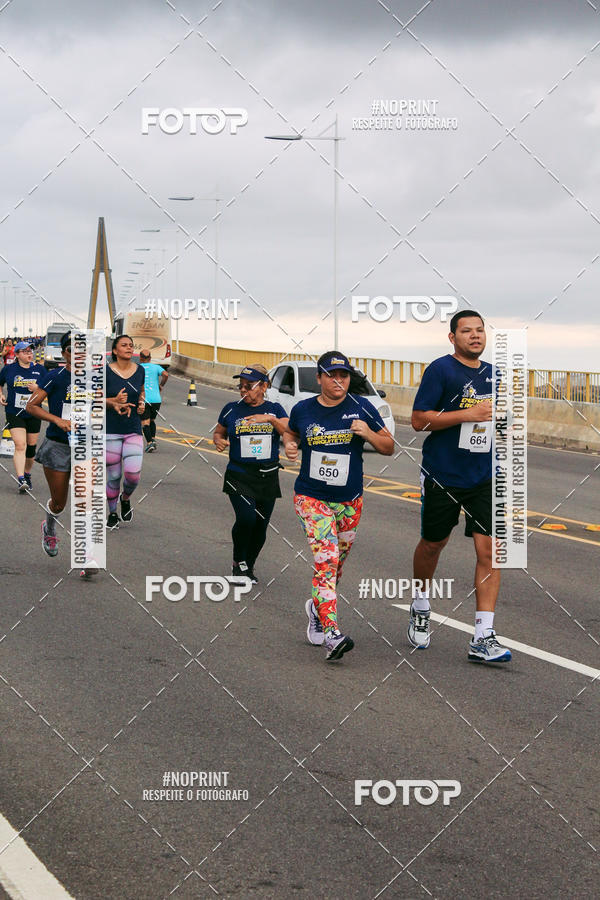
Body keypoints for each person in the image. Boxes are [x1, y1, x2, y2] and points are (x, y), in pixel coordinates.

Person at [408, 310, 512, 663]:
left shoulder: (495, 374)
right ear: (452, 337)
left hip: (484, 477)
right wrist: (467, 414)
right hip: (443, 474)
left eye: (480, 330)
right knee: (433, 544)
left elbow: (497, 421)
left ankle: (483, 636)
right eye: (466, 331)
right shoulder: (440, 370)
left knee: (491, 552)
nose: (475, 336)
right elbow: (419, 420)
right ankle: (421, 602)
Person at [283, 351, 394, 661]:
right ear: (319, 378)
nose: (338, 381)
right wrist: (291, 444)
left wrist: (369, 433)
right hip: (311, 497)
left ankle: (317, 608)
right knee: (327, 562)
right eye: (331, 375)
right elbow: (292, 431)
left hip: (349, 501)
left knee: (336, 567)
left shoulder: (361, 406)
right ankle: (333, 633)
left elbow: (388, 447)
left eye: (343, 375)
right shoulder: (304, 409)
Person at [213, 365, 288, 583]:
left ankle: (249, 564)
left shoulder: (275, 409)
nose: (244, 391)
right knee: (246, 518)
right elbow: (218, 431)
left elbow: (290, 432)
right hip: (239, 473)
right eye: (241, 386)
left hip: (267, 476)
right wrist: (219, 440)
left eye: (249, 386)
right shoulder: (231, 409)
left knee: (260, 526)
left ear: (264, 386)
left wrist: (270, 420)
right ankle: (238, 563)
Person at [26, 332, 72, 556]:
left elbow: (104, 402)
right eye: (72, 349)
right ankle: (50, 527)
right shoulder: (56, 376)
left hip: (89, 446)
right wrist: (57, 420)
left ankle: (88, 556)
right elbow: (31, 406)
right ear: (65, 353)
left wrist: (116, 403)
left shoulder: (96, 378)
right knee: (59, 503)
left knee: (88, 502)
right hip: (58, 445)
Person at [105, 335, 145, 528]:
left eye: (131, 345)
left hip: (133, 429)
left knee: (133, 475)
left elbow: (141, 392)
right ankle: (112, 513)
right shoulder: (104, 372)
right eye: (124, 345)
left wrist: (142, 404)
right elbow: (94, 399)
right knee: (113, 476)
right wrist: (113, 402)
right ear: (115, 351)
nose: (129, 348)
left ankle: (125, 498)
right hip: (110, 430)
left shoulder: (140, 370)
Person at [0, 341, 45, 492]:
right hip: (14, 412)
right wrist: (0, 394)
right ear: (17, 354)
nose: (29, 354)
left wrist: (38, 388)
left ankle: (27, 474)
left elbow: (48, 388)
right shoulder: (9, 369)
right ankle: (21, 479)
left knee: (31, 448)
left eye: (30, 351)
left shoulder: (40, 369)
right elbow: (0, 383)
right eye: (25, 352)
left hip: (34, 412)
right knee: (20, 445)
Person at [139, 349, 168, 452]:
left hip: (144, 399)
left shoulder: (138, 368)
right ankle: (153, 439)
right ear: (150, 358)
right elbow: (166, 374)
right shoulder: (156, 367)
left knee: (145, 422)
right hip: (156, 400)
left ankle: (149, 443)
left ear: (140, 358)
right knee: (152, 420)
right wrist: (161, 385)